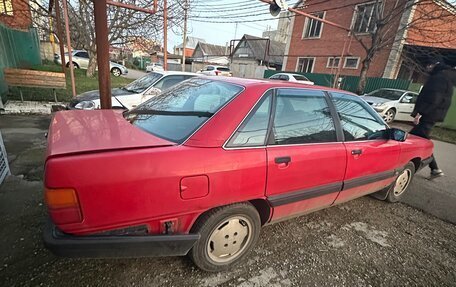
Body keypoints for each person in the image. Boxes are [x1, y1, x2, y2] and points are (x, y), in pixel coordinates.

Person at [410, 57, 456, 178]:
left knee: (413, 140)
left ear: (434, 64)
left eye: (428, 65)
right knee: (419, 139)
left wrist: (420, 113)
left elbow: (433, 98)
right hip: (433, 114)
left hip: (429, 115)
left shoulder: (439, 78)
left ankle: (433, 168)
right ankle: (434, 169)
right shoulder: (444, 76)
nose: (427, 68)